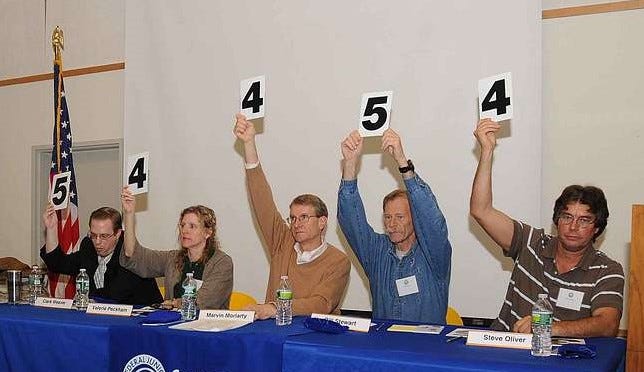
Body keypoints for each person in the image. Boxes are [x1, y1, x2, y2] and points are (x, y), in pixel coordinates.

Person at [469, 118, 624, 337]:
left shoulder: (607, 270)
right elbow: (481, 210)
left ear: (597, 228)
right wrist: (486, 152)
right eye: (567, 216)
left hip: (558, 362)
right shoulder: (530, 243)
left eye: (584, 220)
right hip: (503, 352)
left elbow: (607, 325)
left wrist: (548, 328)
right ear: (556, 219)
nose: (573, 226)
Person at [233, 113, 350, 320]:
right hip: (272, 335)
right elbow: (263, 203)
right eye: (293, 218)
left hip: (311, 342)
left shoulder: (338, 261)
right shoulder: (283, 242)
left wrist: (274, 308)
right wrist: (249, 144)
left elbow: (321, 303)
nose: (296, 223)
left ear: (322, 221)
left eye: (304, 217)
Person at [338, 129, 452, 323]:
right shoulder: (377, 252)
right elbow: (351, 221)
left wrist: (402, 161)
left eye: (400, 217)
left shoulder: (433, 254)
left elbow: (431, 218)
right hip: (383, 348)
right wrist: (350, 165)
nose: (392, 224)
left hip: (425, 348)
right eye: (388, 217)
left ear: (415, 219)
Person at [120, 187, 233, 310]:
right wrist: (129, 214)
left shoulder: (222, 263)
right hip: (173, 325)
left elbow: (206, 300)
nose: (185, 231)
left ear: (208, 232)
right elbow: (133, 255)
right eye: (182, 225)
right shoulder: (172, 258)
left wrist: (175, 303)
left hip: (207, 327)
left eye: (192, 226)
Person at [41, 204, 162, 305]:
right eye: (93, 235)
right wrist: (51, 228)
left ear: (118, 233)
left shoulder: (129, 254)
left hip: (139, 321)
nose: (97, 242)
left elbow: (115, 295)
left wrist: (90, 300)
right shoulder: (88, 246)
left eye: (104, 236)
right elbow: (57, 264)